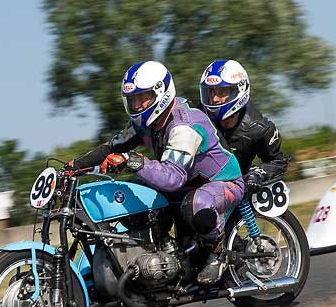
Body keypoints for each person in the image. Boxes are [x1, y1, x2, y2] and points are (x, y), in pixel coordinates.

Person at [66, 60, 244, 285]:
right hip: (185, 186)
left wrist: (134, 161)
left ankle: (218, 253)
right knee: (130, 194)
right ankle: (159, 256)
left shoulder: (184, 125)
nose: (138, 105)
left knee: (195, 204)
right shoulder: (144, 125)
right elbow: (112, 148)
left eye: (144, 97)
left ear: (162, 93)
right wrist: (71, 169)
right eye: (134, 99)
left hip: (221, 183)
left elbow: (172, 178)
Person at [197, 59, 291, 193]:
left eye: (222, 92)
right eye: (211, 92)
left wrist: (257, 174)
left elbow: (278, 161)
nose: (215, 99)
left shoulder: (260, 128)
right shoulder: (197, 116)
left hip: (234, 190)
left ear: (240, 90)